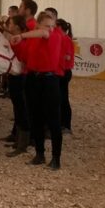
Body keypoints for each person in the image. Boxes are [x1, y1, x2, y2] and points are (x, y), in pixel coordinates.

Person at [10, 12, 64, 170]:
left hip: (50, 80)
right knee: (35, 118)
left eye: (53, 26)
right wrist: (15, 42)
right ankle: (39, 154)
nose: (51, 29)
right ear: (39, 24)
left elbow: (43, 33)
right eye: (47, 25)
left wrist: (21, 36)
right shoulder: (32, 41)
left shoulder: (53, 36)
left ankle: (56, 158)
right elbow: (23, 56)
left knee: (54, 120)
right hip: (33, 79)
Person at [4, 15, 30, 157]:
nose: (9, 24)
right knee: (17, 107)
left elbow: (23, 60)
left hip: (20, 77)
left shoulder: (19, 42)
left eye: (11, 23)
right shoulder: (16, 39)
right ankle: (19, 139)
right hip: (15, 76)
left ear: (18, 27)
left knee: (21, 108)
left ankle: (22, 144)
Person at [56, 18, 75, 135]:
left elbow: (67, 57)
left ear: (60, 27)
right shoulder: (61, 39)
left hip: (64, 71)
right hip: (60, 71)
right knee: (60, 98)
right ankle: (61, 123)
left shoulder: (66, 39)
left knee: (63, 99)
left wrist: (55, 56)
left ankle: (66, 125)